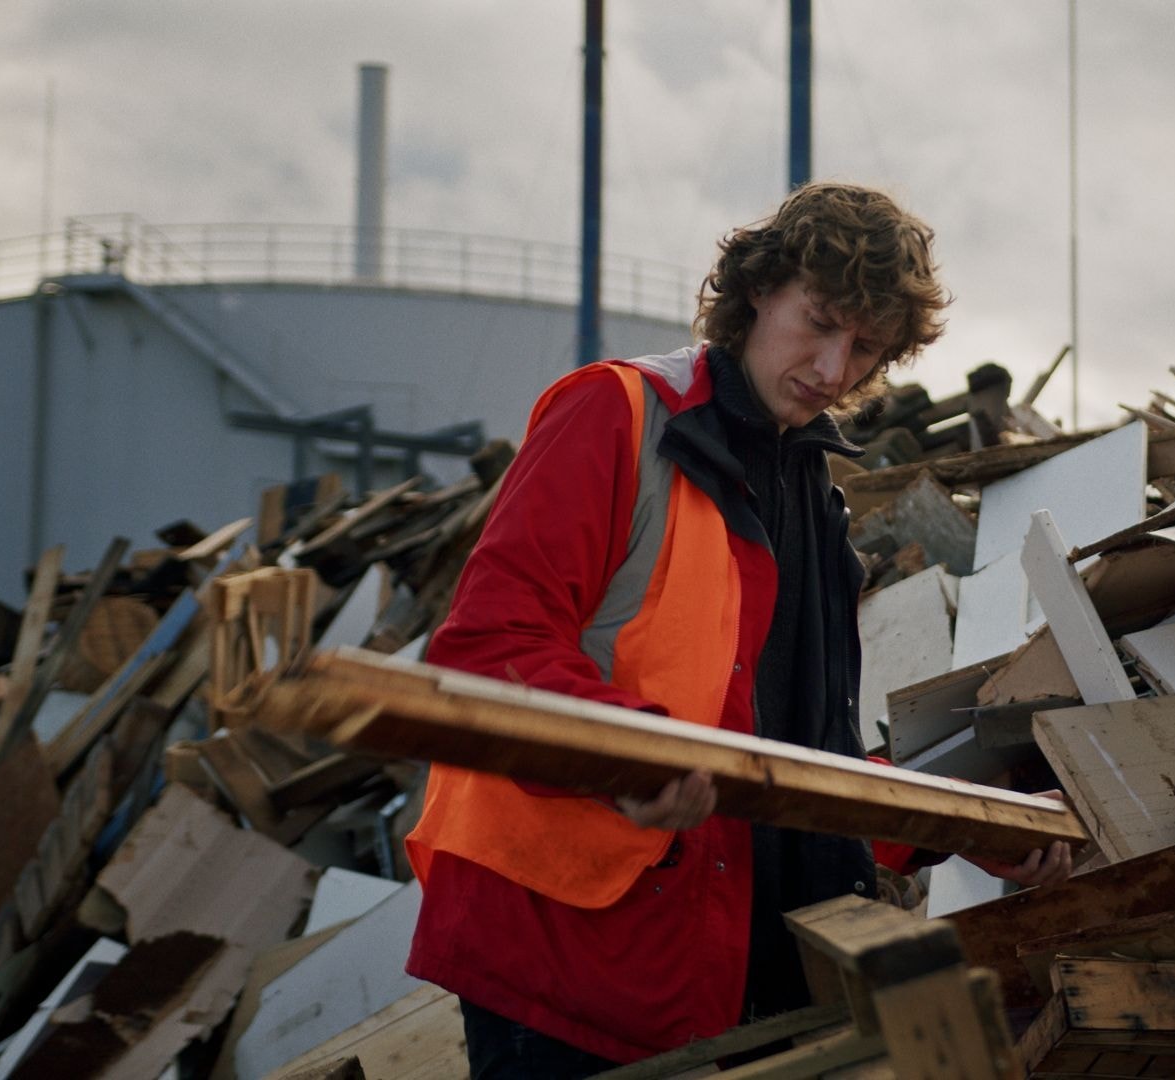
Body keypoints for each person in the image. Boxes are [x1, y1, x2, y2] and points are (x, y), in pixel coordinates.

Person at [401, 182, 1073, 1078]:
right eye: (821, 321)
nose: (834, 369)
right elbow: (486, 648)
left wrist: (956, 824)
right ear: (761, 288)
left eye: (865, 348)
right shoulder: (617, 416)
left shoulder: (812, 497)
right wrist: (624, 755)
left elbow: (784, 758)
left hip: (725, 972)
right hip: (571, 955)